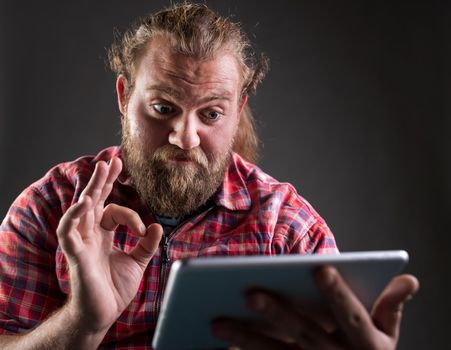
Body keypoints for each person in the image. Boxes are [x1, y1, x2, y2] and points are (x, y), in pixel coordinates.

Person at [0, 3, 418, 349]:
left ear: (238, 110)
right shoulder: (51, 208)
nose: (184, 138)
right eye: (163, 108)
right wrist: (82, 323)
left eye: (211, 114)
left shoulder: (287, 229)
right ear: (125, 97)